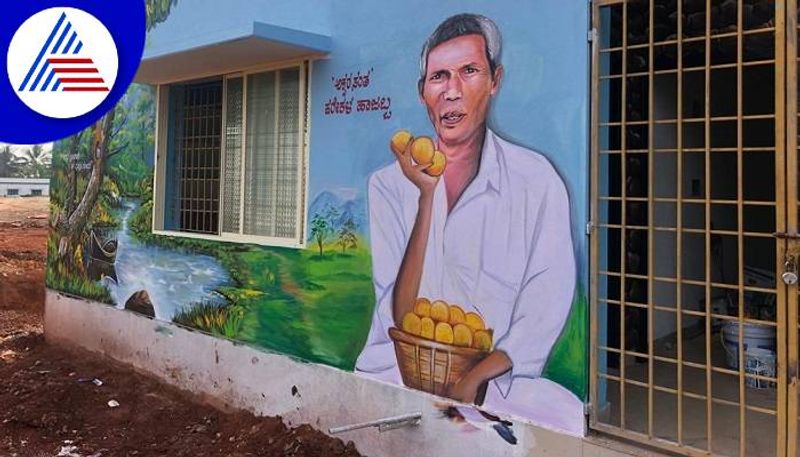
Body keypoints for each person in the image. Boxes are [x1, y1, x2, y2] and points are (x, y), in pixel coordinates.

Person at [355, 13, 583, 435]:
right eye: (438, 77)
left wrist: (476, 377)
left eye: (469, 72)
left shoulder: (537, 181)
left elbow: (545, 308)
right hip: (399, 372)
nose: (452, 92)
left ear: (495, 80)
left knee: (567, 414)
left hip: (493, 381)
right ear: (422, 92)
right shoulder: (387, 186)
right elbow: (400, 314)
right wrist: (426, 198)